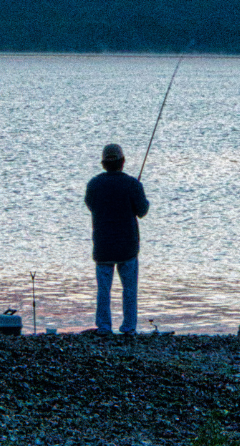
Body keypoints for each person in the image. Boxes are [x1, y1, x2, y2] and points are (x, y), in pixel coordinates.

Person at [84, 143, 150, 336]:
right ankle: (129, 327)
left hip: (103, 246)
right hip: (127, 247)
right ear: (122, 162)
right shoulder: (132, 184)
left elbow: (90, 205)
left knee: (103, 290)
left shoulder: (94, 184)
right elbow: (143, 211)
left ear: (104, 164)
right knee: (129, 290)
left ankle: (104, 327)